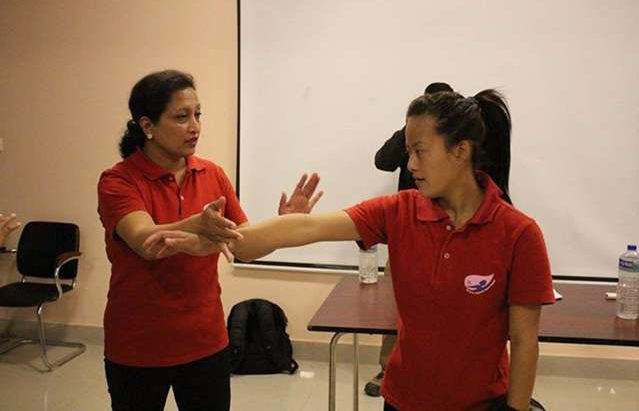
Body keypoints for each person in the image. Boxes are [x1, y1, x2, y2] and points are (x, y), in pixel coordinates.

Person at [145, 89, 554, 410]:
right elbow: (305, 228)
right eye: (408, 150)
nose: (409, 164)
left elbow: (524, 340)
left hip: (479, 405)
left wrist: (515, 410)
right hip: (404, 400)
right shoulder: (400, 211)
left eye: (419, 150)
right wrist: (212, 238)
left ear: (460, 150)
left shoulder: (518, 233)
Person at [97, 69, 322, 411]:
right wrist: (197, 225)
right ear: (147, 126)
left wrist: (286, 224)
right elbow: (146, 241)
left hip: (206, 341)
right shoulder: (118, 181)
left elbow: (242, 245)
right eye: (181, 117)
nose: (195, 126)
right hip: (138, 345)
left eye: (198, 115)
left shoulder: (211, 173)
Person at [365, 81, 455, 398]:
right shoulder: (409, 138)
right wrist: (408, 132)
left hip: (451, 233)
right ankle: (387, 366)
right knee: (395, 303)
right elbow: (382, 160)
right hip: (410, 230)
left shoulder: (454, 143)